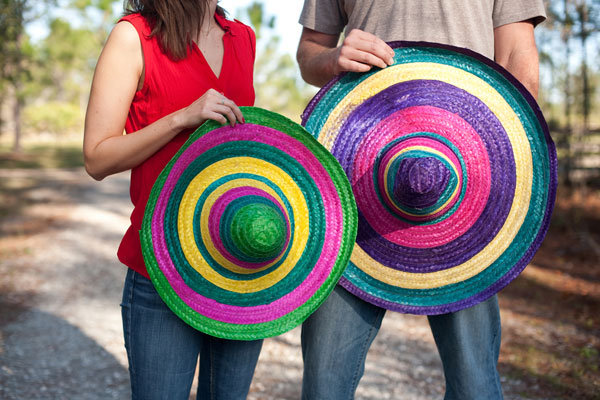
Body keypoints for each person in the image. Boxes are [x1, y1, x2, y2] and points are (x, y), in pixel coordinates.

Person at [296, 1, 546, 399]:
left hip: (467, 189)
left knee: (475, 385)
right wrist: (332, 58)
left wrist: (512, 159)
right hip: (355, 181)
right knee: (326, 382)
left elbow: (517, 50)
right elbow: (310, 52)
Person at [83, 1, 262, 399]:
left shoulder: (243, 38)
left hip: (239, 269)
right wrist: (182, 117)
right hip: (161, 271)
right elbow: (96, 158)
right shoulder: (134, 37)